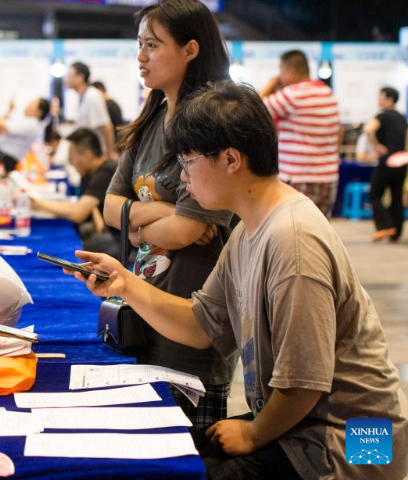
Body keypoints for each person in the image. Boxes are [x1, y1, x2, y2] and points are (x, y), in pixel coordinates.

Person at [69, 80, 408, 480]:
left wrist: (252, 434)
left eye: (189, 160)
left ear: (231, 159)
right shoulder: (251, 227)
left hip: (358, 440)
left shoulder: (292, 241)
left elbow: (303, 383)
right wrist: (125, 284)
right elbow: (200, 325)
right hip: (303, 421)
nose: (182, 175)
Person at [103, 0, 236, 428]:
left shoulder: (210, 123)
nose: (141, 57)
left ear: (190, 50)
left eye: (153, 45)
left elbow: (187, 229)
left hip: (191, 316)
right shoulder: (153, 118)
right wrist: (159, 212)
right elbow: (108, 208)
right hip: (141, 309)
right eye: (140, 44)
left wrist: (138, 221)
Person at [260, 50, 341, 218]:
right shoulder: (327, 92)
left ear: (291, 72)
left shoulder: (293, 94)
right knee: (320, 229)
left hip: (300, 177)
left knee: (296, 231)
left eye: (280, 70)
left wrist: (269, 85)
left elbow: (253, 109)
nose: (279, 76)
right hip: (328, 176)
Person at [31, 128, 121, 259]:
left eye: (71, 159)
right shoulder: (91, 173)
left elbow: (78, 213)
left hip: (122, 244)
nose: (72, 164)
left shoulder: (106, 172)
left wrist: (38, 204)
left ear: (87, 156)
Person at [364, 86, 408, 242]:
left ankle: (385, 226)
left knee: (374, 194)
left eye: (381, 96)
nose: (379, 100)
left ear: (389, 99)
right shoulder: (402, 117)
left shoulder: (382, 116)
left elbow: (369, 129)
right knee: (396, 196)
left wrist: (376, 146)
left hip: (387, 160)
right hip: (402, 161)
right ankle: (396, 231)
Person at [0, 93, 50, 172]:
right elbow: (2, 123)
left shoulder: (31, 124)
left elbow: (0, 124)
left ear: (39, 112)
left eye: (32, 103)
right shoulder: (29, 122)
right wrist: (9, 111)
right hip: (5, 158)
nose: (28, 104)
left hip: (6, 160)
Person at [65, 61, 117, 159]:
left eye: (69, 75)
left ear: (80, 77)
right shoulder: (84, 96)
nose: (66, 79)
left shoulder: (92, 96)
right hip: (89, 153)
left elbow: (106, 127)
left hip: (97, 155)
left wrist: (110, 153)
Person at [91, 81, 124, 148]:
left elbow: (108, 127)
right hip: (117, 142)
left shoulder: (108, 106)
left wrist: (110, 150)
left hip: (114, 144)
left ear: (100, 90)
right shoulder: (113, 103)